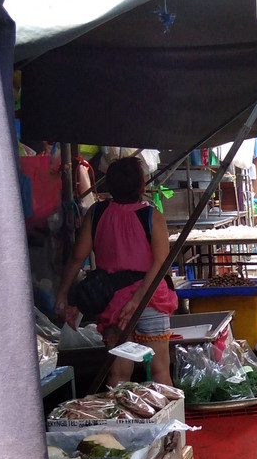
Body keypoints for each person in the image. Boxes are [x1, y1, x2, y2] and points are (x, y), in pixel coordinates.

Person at [55, 156, 177, 387]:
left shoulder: (97, 213)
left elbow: (77, 257)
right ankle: (167, 421)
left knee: (119, 375)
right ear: (140, 185)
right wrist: (137, 300)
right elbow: (160, 263)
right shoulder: (152, 216)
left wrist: (62, 295)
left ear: (109, 184)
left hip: (112, 303)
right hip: (151, 299)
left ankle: (120, 419)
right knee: (160, 371)